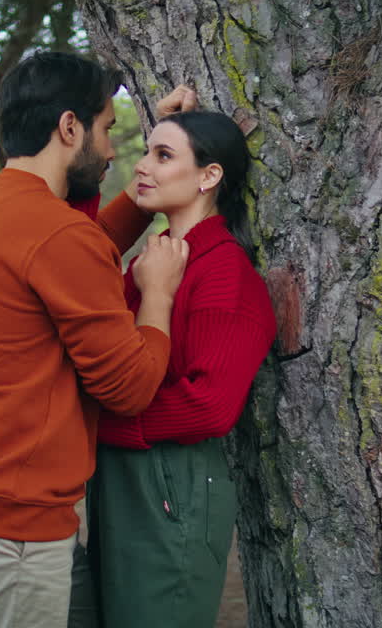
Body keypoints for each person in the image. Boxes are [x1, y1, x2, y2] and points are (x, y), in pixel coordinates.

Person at [0, 50, 196, 628]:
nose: (113, 151)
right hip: (8, 530)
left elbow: (71, 251)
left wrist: (152, 172)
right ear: (69, 127)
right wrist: (157, 296)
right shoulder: (58, 236)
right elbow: (129, 388)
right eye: (107, 129)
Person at [72, 111, 278, 628]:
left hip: (172, 482)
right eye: (146, 151)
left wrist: (98, 423)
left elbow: (210, 407)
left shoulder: (224, 271)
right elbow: (76, 250)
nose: (142, 166)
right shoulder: (154, 263)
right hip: (118, 475)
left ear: (209, 176)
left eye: (163, 155)